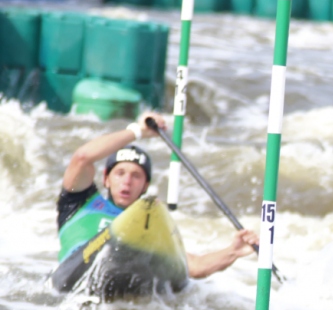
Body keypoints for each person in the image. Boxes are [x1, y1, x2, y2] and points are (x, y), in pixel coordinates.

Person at [57, 112, 259, 279]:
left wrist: (234, 251)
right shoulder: (79, 203)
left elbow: (195, 267)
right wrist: (137, 131)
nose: (127, 181)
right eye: (120, 173)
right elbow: (82, 158)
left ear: (145, 185)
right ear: (106, 179)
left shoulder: (147, 224)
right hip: (72, 277)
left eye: (136, 176)